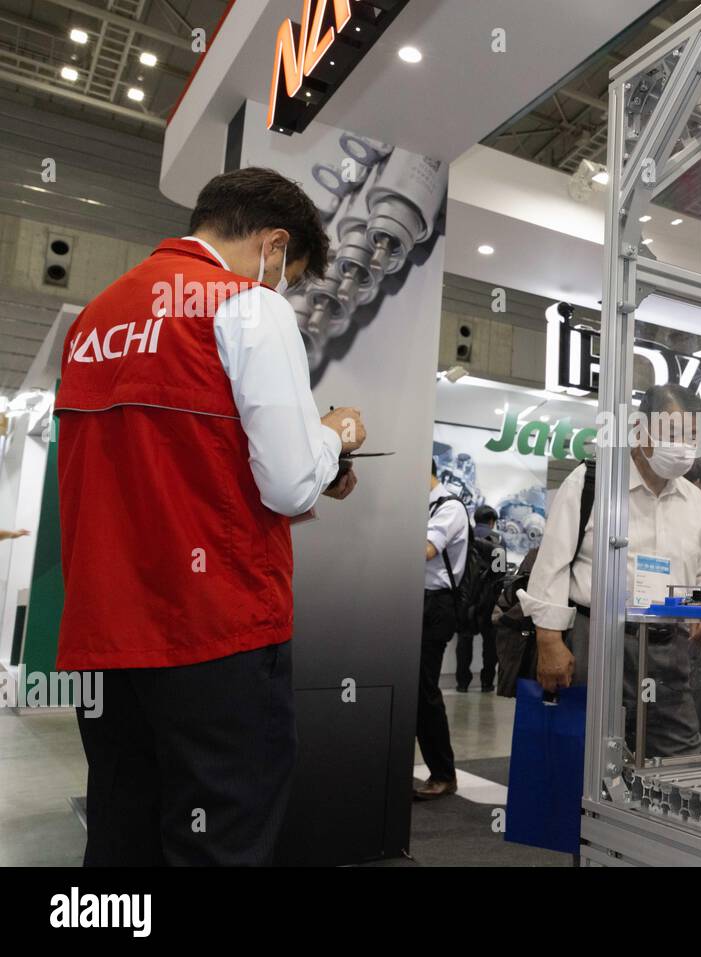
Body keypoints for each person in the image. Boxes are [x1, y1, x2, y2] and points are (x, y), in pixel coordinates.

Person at [54, 167, 363, 866]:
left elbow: (163, 470)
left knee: (121, 829)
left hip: (106, 633)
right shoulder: (248, 306)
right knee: (220, 838)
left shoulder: (97, 316)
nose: (282, 288)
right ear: (274, 244)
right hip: (214, 631)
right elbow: (285, 484)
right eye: (290, 272)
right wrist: (333, 435)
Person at [519, 383, 701, 757]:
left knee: (679, 756)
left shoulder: (693, 500)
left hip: (669, 648)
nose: (682, 447)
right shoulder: (592, 483)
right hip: (599, 640)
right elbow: (551, 566)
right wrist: (549, 643)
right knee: (588, 755)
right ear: (639, 429)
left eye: (691, 437)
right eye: (672, 433)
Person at [417, 465, 471, 797]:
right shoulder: (421, 507)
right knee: (410, 688)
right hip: (413, 601)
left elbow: (426, 550)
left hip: (436, 606)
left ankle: (443, 773)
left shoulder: (449, 507)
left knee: (423, 688)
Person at [455, 504, 500, 692]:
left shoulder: (466, 537)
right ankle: (487, 683)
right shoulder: (498, 541)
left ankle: (462, 684)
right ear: (492, 522)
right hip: (488, 600)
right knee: (490, 645)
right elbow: (500, 572)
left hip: (466, 598)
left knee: (464, 642)